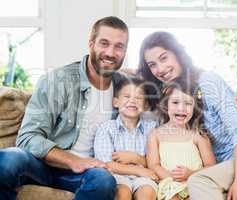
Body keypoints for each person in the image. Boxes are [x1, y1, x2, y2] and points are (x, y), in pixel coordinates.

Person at [138, 31, 237, 200]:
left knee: (198, 181)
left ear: (178, 54)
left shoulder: (208, 81)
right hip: (225, 168)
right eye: (152, 64)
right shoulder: (170, 96)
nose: (159, 69)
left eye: (164, 58)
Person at [0, 16, 130, 200]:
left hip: (85, 174)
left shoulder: (125, 89)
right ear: (91, 44)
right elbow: (27, 138)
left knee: (104, 181)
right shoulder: (57, 81)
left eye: (119, 46)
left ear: (125, 51)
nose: (111, 52)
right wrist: (73, 160)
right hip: (42, 165)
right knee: (8, 160)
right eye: (104, 43)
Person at [147, 79, 216, 200]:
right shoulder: (155, 134)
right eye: (175, 102)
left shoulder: (198, 134)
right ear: (165, 104)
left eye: (188, 104)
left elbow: (211, 166)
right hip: (170, 184)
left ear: (194, 107)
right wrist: (171, 178)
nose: (181, 108)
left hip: (195, 181)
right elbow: (153, 165)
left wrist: (190, 174)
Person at [94, 76, 158, 200]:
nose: (132, 101)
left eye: (138, 98)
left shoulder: (152, 128)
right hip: (118, 175)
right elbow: (107, 164)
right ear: (116, 102)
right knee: (122, 193)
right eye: (127, 97)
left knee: (147, 192)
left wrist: (136, 158)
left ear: (145, 105)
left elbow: (156, 162)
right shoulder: (106, 128)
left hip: (144, 177)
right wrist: (137, 169)